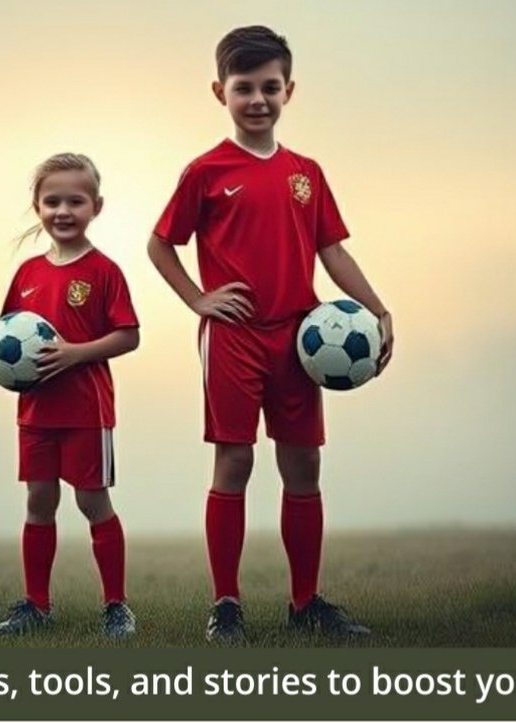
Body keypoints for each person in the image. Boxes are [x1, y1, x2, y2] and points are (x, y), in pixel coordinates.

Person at [147, 26, 394, 642]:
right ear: (220, 92)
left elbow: (332, 252)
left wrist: (378, 309)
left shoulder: (306, 172)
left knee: (303, 464)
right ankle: (226, 606)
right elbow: (160, 244)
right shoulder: (205, 171)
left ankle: (305, 603)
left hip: (300, 340)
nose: (257, 99)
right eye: (243, 88)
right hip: (233, 337)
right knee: (234, 459)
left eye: (269, 87)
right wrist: (199, 299)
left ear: (289, 90)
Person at [0, 153, 141, 638]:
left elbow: (128, 336)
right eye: (52, 202)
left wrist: (75, 354)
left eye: (75, 201)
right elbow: (9, 334)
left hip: (86, 411)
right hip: (36, 413)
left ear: (96, 207)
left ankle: (116, 606)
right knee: (39, 501)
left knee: (92, 501)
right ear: (38, 207)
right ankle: (36, 606)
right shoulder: (27, 273)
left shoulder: (104, 271)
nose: (63, 211)